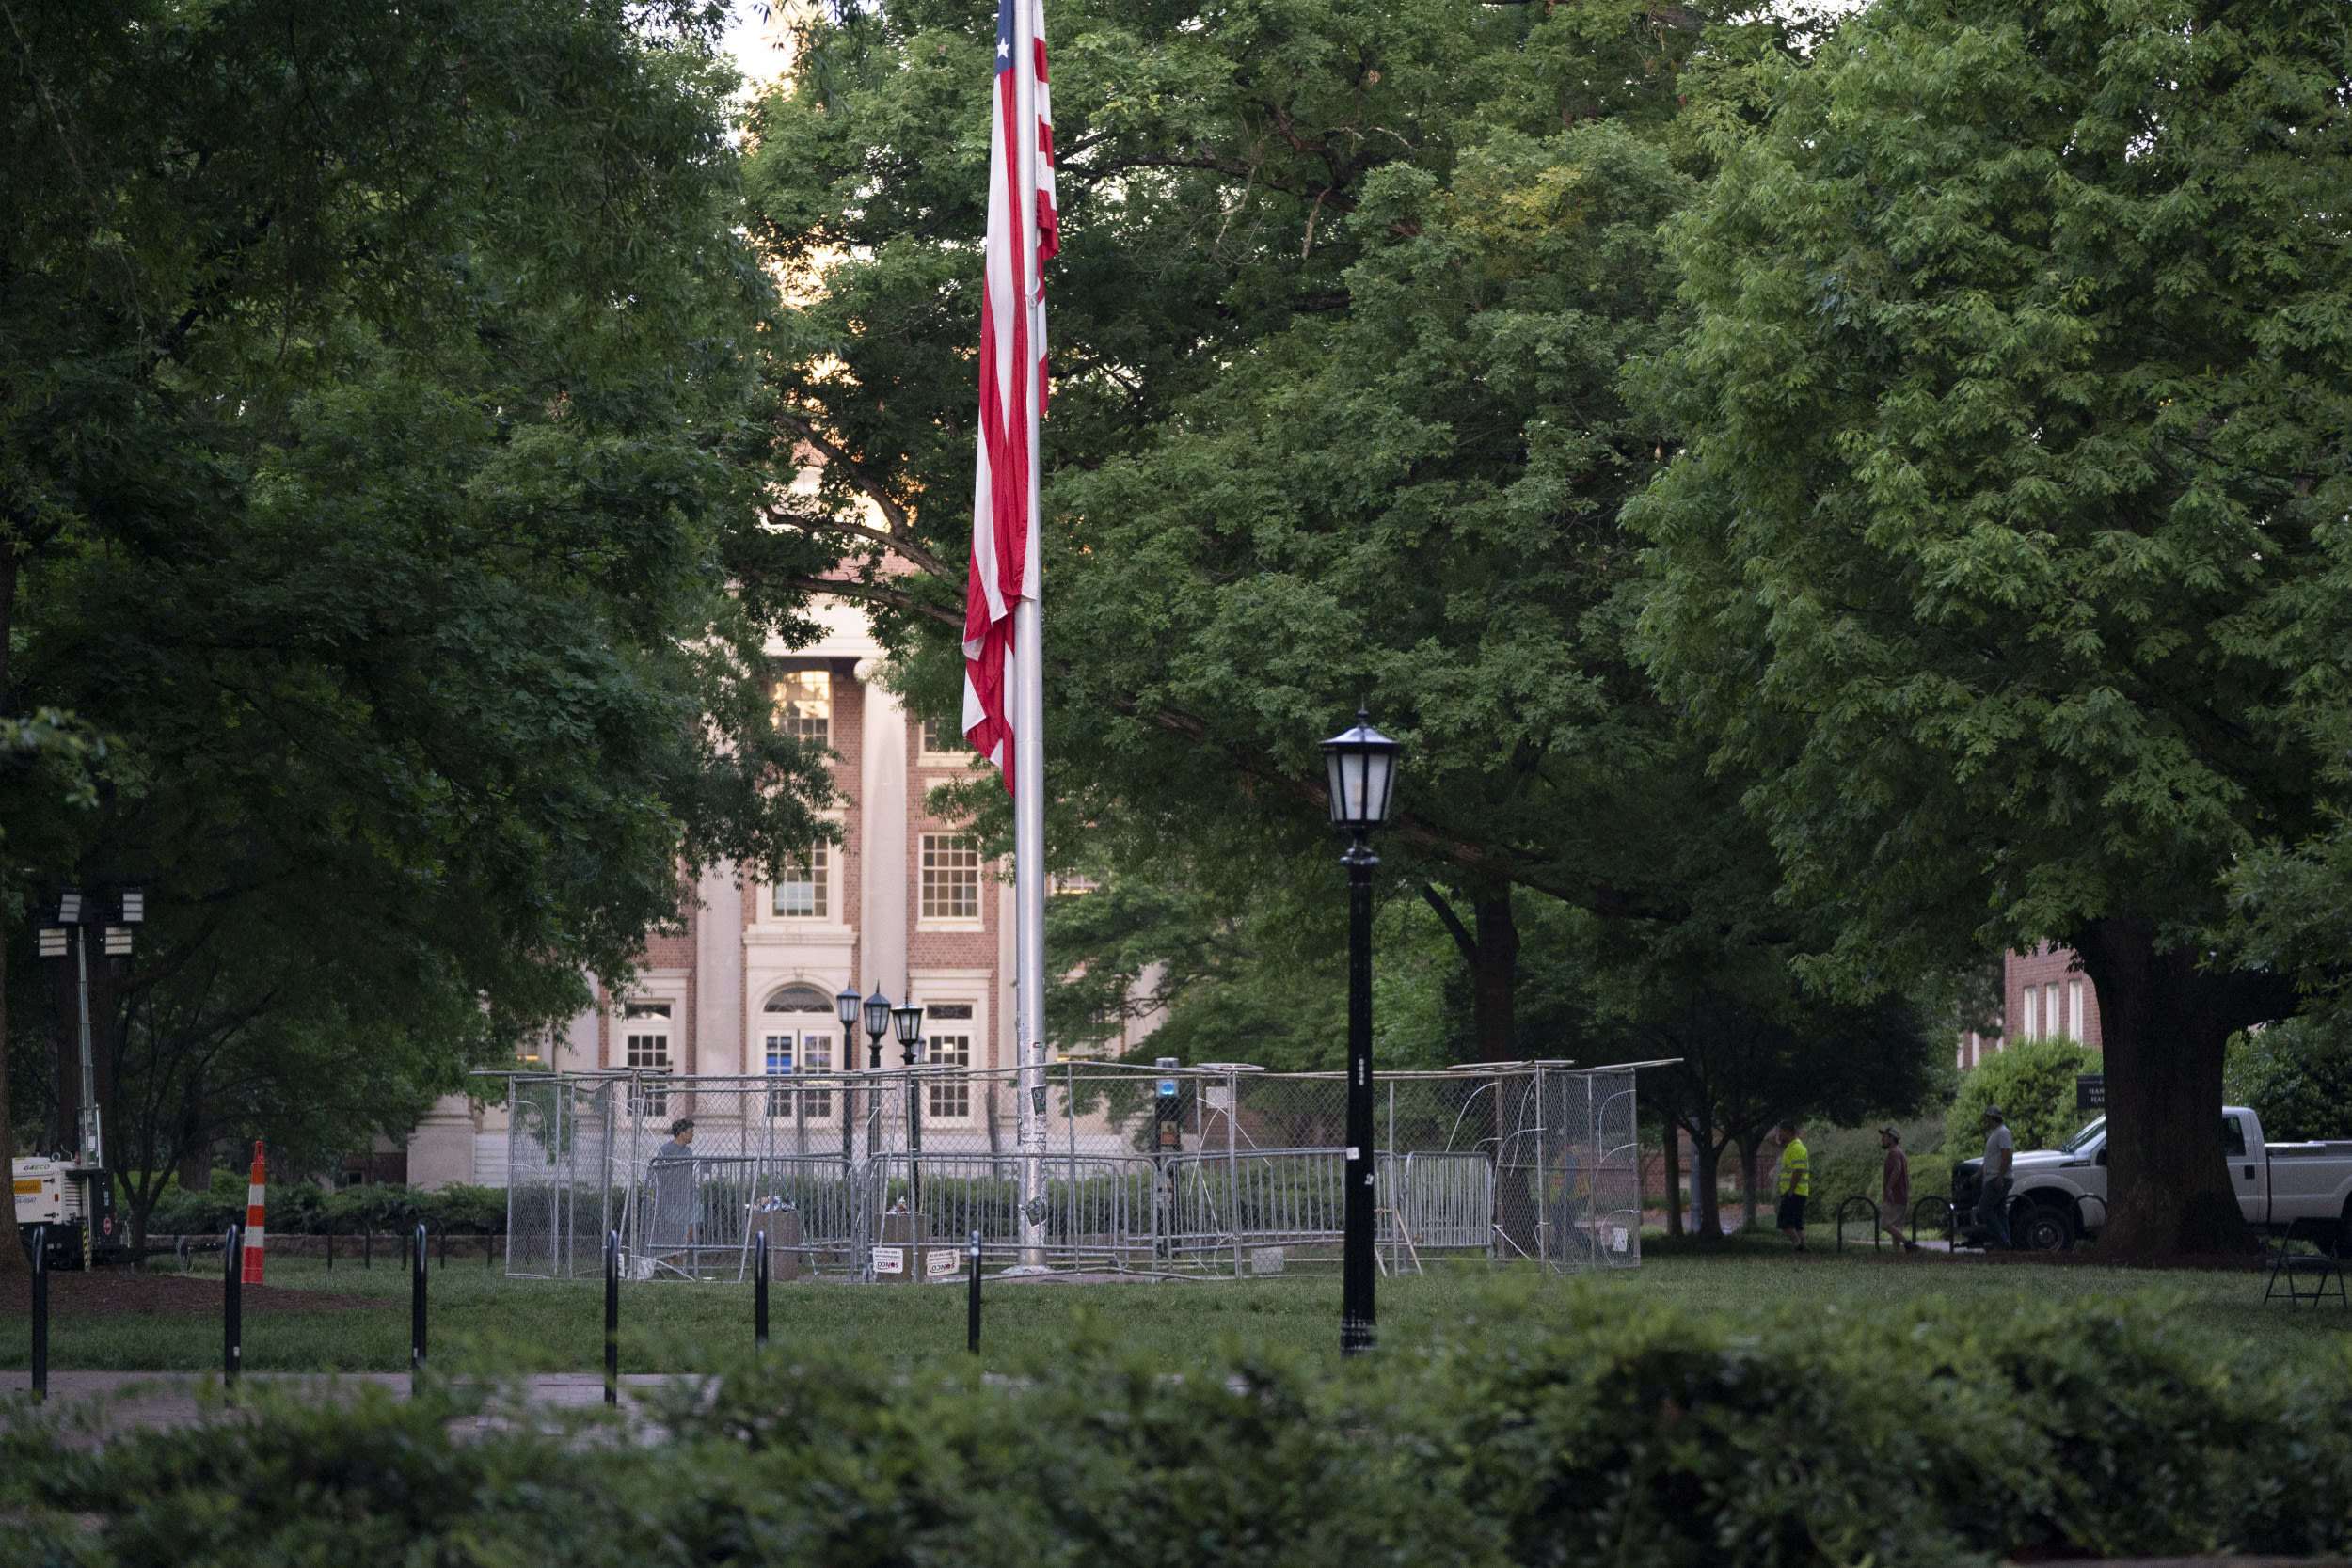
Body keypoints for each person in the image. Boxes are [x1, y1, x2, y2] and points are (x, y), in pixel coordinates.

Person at [649, 1117, 698, 1271]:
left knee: (691, 1228)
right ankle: (673, 1259)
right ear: (682, 1133)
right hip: (672, 1197)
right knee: (673, 1228)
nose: (693, 1135)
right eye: (690, 1132)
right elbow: (662, 1175)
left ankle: (678, 1256)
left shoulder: (688, 1151)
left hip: (687, 1196)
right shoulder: (666, 1150)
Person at [1977, 1104, 2014, 1251]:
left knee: (1984, 1208)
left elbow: (2006, 1157)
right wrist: (1979, 1173)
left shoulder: (2002, 1133)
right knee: (1999, 1212)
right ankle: (2006, 1243)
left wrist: (2000, 1177)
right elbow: (1991, 1158)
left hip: (1999, 1178)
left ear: (1992, 1118)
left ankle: (2002, 1241)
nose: (1986, 1121)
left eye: (1987, 1117)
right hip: (1995, 1177)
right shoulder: (1996, 1133)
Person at [1879, 1127, 1920, 1252]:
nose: (1882, 1139)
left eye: (1885, 1137)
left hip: (1895, 1196)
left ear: (1892, 1139)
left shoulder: (1894, 1153)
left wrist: (1889, 1187)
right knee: (1897, 1226)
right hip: (1903, 1195)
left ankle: (1908, 1244)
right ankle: (1896, 1255)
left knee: (1884, 1224)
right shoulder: (1899, 1152)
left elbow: (1898, 1169)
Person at [1773, 1119, 1810, 1251]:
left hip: (1794, 1192)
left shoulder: (1796, 1148)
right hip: (1797, 1192)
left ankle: (1798, 1245)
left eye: (1780, 1132)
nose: (1779, 1135)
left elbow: (1798, 1170)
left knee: (1784, 1223)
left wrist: (1791, 1190)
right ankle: (1802, 1247)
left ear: (1788, 1132)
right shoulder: (1792, 1147)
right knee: (1796, 1223)